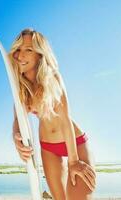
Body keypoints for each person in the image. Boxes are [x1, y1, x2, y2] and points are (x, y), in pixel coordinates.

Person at [10, 28, 96, 200]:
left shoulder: (53, 78)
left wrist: (73, 162)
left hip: (75, 144)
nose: (21, 55)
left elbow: (65, 120)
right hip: (49, 148)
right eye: (18, 49)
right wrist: (16, 137)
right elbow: (18, 119)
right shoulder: (20, 87)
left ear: (39, 55)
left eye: (28, 50)